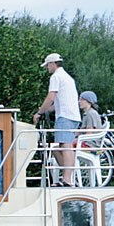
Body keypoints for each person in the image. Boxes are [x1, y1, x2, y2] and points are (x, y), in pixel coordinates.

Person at [36, 53, 82, 185]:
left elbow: (51, 97)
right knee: (58, 147)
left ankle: (67, 179)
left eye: (47, 66)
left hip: (65, 116)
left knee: (65, 145)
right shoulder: (67, 78)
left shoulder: (56, 77)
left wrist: (39, 112)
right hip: (72, 116)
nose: (47, 69)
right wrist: (45, 110)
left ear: (52, 64)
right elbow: (58, 103)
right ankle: (68, 176)